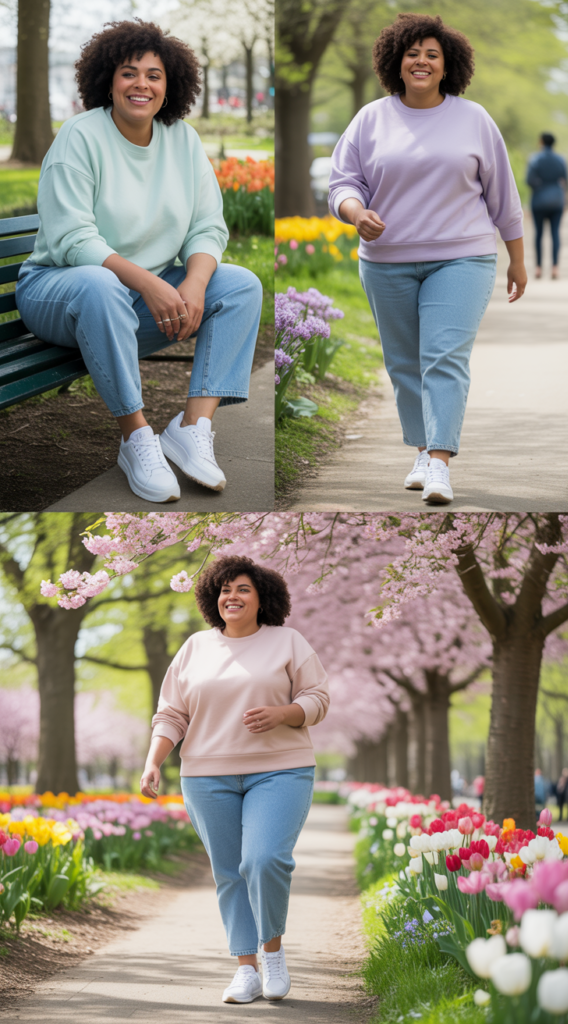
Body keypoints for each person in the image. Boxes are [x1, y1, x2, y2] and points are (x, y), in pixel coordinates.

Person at [15, 20, 262, 503]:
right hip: (58, 291)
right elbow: (71, 237)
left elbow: (208, 226)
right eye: (130, 73)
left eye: (154, 75)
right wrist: (147, 282)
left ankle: (192, 427)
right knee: (100, 286)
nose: (142, 84)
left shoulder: (182, 140)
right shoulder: (80, 137)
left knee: (241, 285)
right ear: (108, 80)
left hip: (137, 299)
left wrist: (193, 282)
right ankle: (135, 437)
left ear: (171, 85)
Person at [328, 13, 526, 505]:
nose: (421, 61)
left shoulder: (474, 119)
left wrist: (518, 260)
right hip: (385, 261)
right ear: (396, 62)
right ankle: (421, 450)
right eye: (412, 53)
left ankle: (440, 463)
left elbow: (503, 195)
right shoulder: (370, 118)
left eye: (431, 54)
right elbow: (342, 184)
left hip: (462, 258)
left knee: (443, 358)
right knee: (403, 364)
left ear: (446, 66)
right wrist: (356, 213)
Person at [140, 555, 329, 1004]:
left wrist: (284, 713)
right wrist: (154, 762)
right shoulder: (195, 648)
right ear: (213, 599)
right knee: (229, 873)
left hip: (281, 769)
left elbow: (318, 697)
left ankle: (274, 952)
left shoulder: (287, 641)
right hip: (206, 775)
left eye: (243, 588)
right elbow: (172, 712)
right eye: (224, 589)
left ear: (262, 597)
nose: (233, 596)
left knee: (263, 860)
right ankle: (246, 969)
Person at [527, 133, 568, 280]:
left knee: (539, 234)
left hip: (539, 201)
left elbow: (529, 180)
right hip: (557, 201)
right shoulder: (561, 160)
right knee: (555, 233)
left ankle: (538, 268)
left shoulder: (535, 159)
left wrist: (540, 186)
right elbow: (566, 180)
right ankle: (555, 268)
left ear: (541, 142)